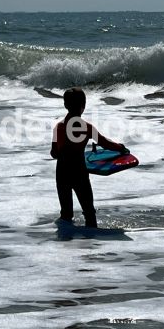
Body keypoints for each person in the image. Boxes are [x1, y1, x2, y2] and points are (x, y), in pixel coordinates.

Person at [50, 87, 126, 228]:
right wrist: (120, 148)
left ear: (65, 105)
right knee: (89, 212)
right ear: (83, 106)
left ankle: (64, 242)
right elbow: (105, 143)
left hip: (62, 172)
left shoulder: (58, 127)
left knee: (66, 213)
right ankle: (91, 242)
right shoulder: (87, 128)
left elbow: (53, 153)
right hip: (78, 171)